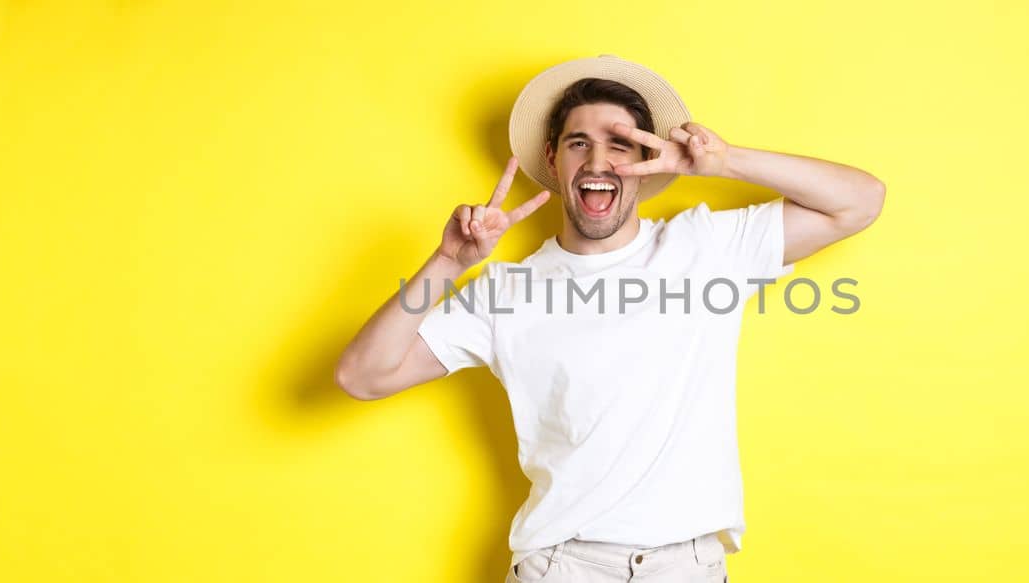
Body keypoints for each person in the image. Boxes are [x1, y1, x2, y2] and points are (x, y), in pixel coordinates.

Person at [333, 55, 885, 582]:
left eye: (621, 144)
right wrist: (448, 262)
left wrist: (725, 161)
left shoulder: (706, 247)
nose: (599, 162)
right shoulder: (505, 291)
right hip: (561, 567)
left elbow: (860, 201)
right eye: (580, 143)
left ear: (647, 161)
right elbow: (362, 375)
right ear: (553, 160)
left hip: (686, 568)